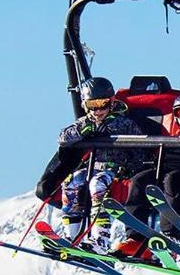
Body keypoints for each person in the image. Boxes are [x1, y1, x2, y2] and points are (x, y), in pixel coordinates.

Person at [113, 88, 180, 259]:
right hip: (165, 165)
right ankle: (135, 238)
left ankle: (170, 234)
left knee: (171, 181)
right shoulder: (175, 133)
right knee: (139, 180)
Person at [58, 77, 145, 254]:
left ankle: (101, 238)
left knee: (96, 185)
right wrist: (82, 131)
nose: (97, 111)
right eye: (92, 105)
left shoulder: (122, 122)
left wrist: (131, 166)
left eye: (102, 104)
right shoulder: (85, 122)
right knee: (71, 183)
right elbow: (63, 137)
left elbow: (140, 147)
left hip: (115, 168)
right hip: (93, 166)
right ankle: (71, 236)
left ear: (111, 102)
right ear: (85, 105)